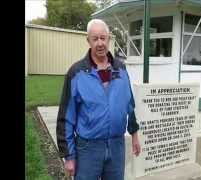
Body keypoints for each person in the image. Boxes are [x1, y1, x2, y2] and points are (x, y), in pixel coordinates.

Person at [56, 19, 141, 180]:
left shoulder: (121, 69)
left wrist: (134, 134)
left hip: (117, 146)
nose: (100, 43)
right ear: (88, 40)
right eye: (95, 38)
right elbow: (66, 118)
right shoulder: (76, 73)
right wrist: (69, 156)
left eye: (103, 37)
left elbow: (129, 104)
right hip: (88, 149)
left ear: (109, 38)